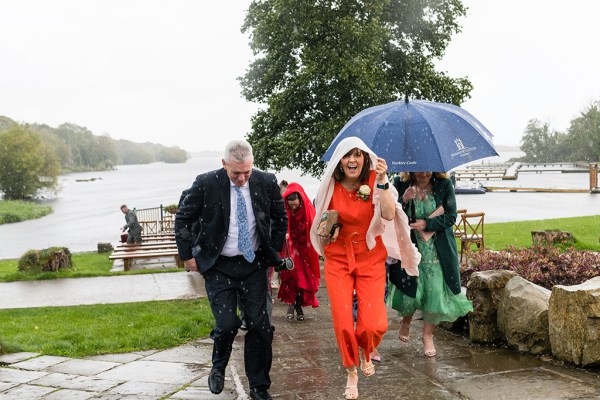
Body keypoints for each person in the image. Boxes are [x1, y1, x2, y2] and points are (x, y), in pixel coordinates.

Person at [175, 139, 287, 400]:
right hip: (219, 265)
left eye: (247, 172)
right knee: (226, 325)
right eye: (236, 173)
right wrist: (187, 256)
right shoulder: (206, 183)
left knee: (261, 327)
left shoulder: (266, 181)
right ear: (224, 164)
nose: (242, 179)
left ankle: (259, 386)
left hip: (253, 264)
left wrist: (274, 251)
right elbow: (183, 217)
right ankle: (218, 364)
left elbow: (280, 217)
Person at [310, 137, 420, 400]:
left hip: (370, 256)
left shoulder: (375, 181)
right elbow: (322, 224)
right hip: (338, 257)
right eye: (347, 156)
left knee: (374, 324)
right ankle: (351, 371)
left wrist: (382, 181)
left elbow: (389, 215)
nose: (352, 160)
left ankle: (366, 349)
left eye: (357, 155)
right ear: (339, 162)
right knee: (344, 322)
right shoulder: (330, 187)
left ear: (365, 158)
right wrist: (326, 232)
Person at [388, 171, 473, 357]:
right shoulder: (399, 183)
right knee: (412, 290)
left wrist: (427, 224)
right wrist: (402, 200)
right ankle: (406, 321)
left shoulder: (444, 185)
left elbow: (451, 216)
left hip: (437, 251)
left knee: (434, 291)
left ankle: (427, 337)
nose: (424, 173)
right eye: (419, 168)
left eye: (428, 168)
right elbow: (388, 213)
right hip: (411, 248)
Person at [278, 182, 320, 321]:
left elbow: (313, 228)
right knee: (291, 276)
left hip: (304, 249)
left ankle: (298, 305)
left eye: (296, 205)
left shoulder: (307, 209)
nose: (294, 207)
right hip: (290, 248)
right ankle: (291, 304)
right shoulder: (283, 209)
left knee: (303, 278)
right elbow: (279, 224)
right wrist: (284, 233)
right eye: (291, 205)